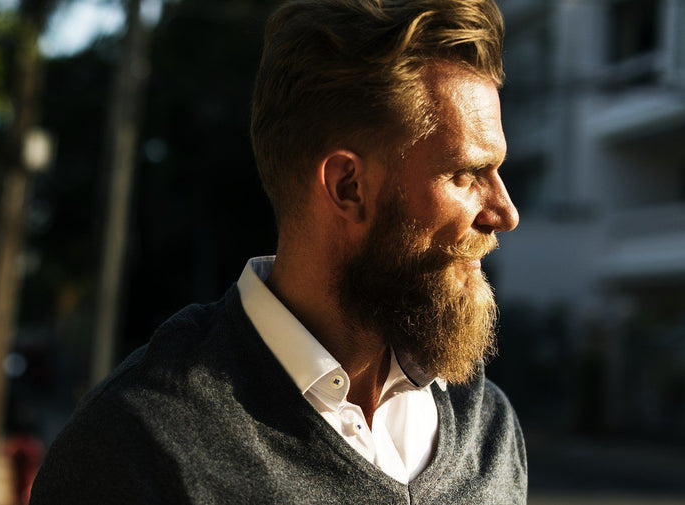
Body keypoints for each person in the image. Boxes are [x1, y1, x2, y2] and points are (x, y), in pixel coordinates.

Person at [30, 0, 526, 502]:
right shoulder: (138, 445)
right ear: (347, 186)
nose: (504, 212)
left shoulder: (488, 425)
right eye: (466, 174)